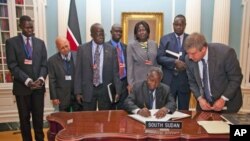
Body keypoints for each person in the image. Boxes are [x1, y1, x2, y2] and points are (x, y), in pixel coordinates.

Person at [5, 15, 47, 141]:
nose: (30, 30)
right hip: (22, 88)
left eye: (31, 27)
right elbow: (12, 65)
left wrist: (40, 79)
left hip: (38, 89)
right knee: (24, 120)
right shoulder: (11, 43)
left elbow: (44, 64)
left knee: (38, 120)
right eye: (27, 27)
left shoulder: (40, 43)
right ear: (20, 27)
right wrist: (28, 81)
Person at [184, 32, 243, 113]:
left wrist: (223, 99)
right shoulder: (188, 59)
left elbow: (236, 78)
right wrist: (200, 99)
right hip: (205, 105)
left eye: (193, 53)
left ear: (203, 49)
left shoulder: (225, 53)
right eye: (188, 53)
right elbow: (192, 82)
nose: (190, 57)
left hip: (228, 104)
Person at [74, 23, 121, 111]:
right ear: (92, 35)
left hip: (105, 89)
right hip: (87, 89)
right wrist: (77, 92)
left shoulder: (111, 50)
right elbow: (78, 72)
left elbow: (115, 72)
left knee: (106, 118)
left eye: (103, 33)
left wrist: (118, 90)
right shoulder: (82, 49)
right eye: (98, 34)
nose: (101, 36)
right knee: (88, 119)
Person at [157, 14, 191, 110]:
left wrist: (186, 65)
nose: (179, 27)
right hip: (169, 81)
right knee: (167, 110)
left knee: (184, 111)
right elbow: (159, 58)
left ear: (185, 25)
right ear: (173, 25)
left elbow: (195, 59)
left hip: (184, 81)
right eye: (176, 24)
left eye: (181, 24)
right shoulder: (165, 39)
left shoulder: (191, 39)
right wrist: (174, 62)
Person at [48, 36, 79, 112]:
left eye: (66, 46)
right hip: (62, 96)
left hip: (77, 95)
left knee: (79, 119)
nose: (65, 49)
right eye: (62, 48)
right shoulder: (52, 61)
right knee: (65, 120)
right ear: (57, 48)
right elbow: (52, 79)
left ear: (69, 44)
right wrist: (54, 97)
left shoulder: (78, 56)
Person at [127, 21, 158, 93]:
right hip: (138, 81)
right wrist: (131, 84)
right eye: (139, 30)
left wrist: (157, 78)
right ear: (136, 33)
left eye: (143, 30)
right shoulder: (131, 45)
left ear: (147, 31)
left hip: (153, 80)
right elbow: (130, 66)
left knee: (152, 103)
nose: (141, 32)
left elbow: (156, 63)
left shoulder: (154, 44)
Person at [107, 24, 128, 109]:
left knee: (122, 109)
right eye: (116, 31)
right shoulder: (106, 47)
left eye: (120, 31)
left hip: (123, 82)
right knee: (110, 109)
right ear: (111, 32)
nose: (118, 33)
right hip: (111, 82)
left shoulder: (125, 47)